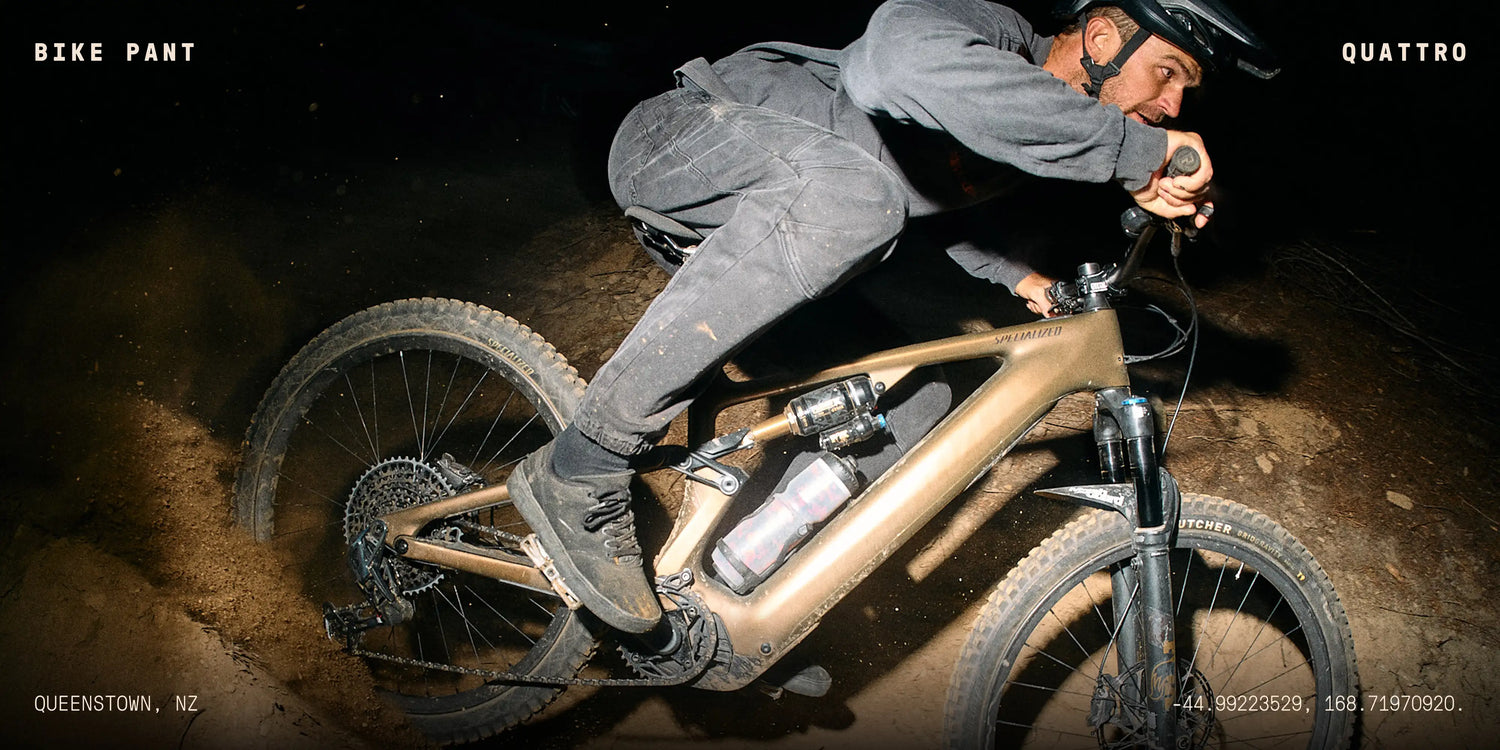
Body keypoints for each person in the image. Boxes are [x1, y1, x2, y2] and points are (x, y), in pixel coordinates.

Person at [507, 0, 1278, 634]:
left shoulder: (1014, 143)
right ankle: (583, 465)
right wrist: (1133, 150)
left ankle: (738, 598)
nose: (1172, 106)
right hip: (683, 137)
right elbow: (891, 67)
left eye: (1184, 96)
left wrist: (1023, 279)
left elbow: (929, 220)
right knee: (854, 197)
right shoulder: (989, 38)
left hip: (790, 232)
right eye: (1167, 74)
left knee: (921, 397)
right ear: (1106, 37)